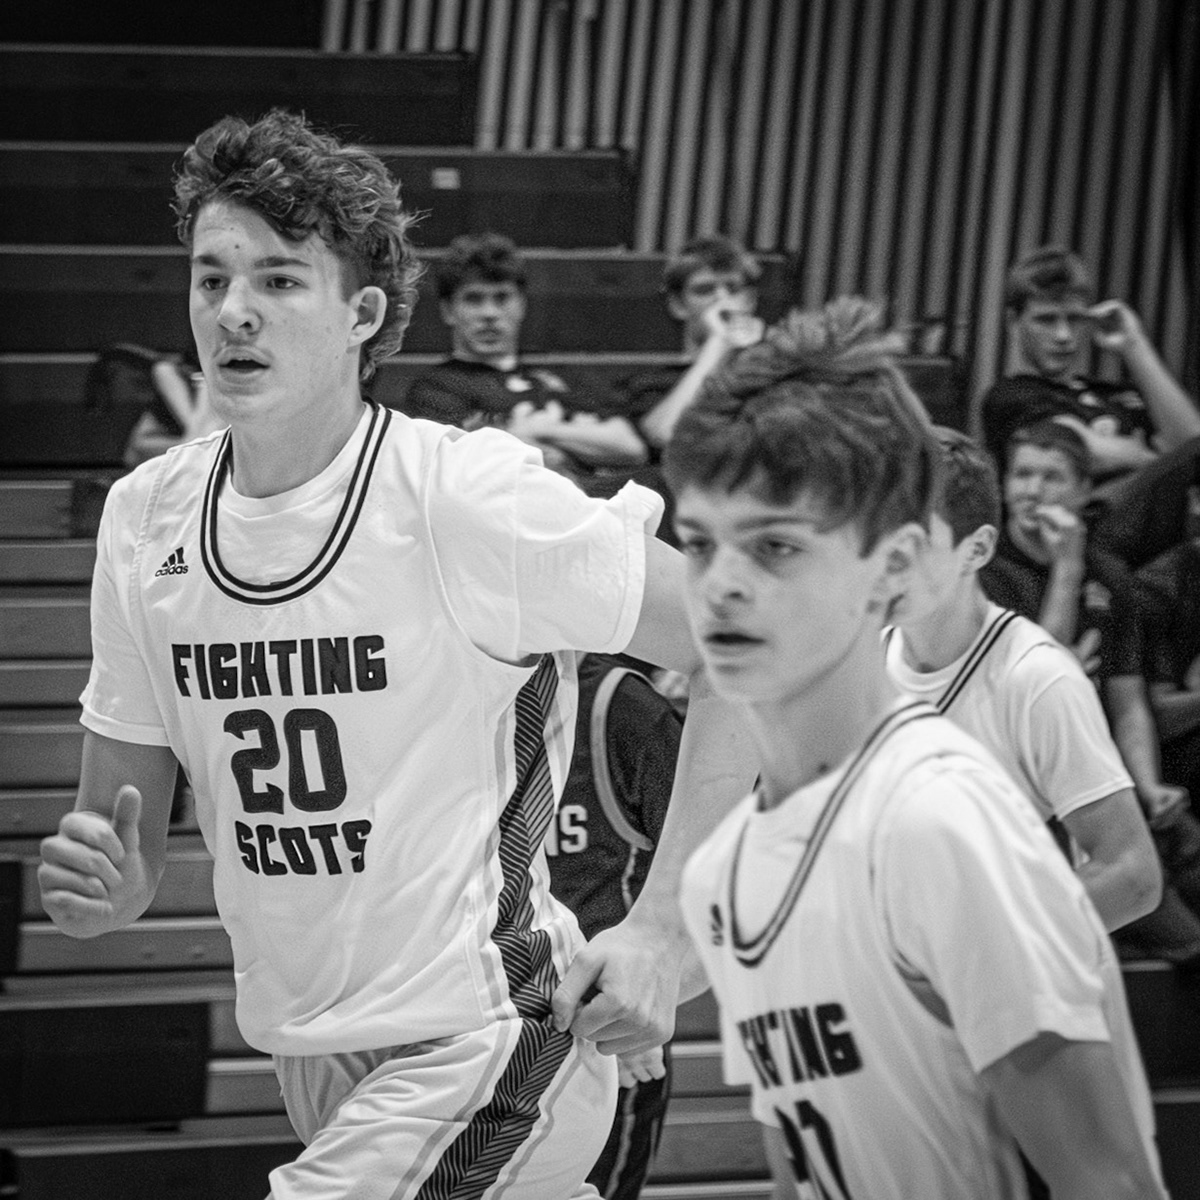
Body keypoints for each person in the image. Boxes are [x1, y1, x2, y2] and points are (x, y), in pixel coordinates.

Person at [36, 109, 755, 1199]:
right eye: (211, 278)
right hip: (311, 1051)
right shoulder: (145, 519)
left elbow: (743, 638)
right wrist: (102, 884)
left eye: (279, 281)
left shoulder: (461, 493)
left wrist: (663, 931)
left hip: (496, 1033)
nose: (233, 310)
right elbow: (125, 843)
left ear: (362, 315)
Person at [665, 297, 1165, 1198]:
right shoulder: (722, 870)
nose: (723, 585)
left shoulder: (941, 820)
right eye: (700, 544)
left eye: (776, 546)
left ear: (894, 567)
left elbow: (1111, 1184)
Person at [885, 425, 1161, 931]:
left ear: (976, 549)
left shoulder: (1038, 677)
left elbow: (1133, 878)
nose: (887, 561)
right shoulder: (855, 659)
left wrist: (971, 944)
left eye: (914, 541)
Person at [546, 652, 682, 1199]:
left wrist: (651, 995)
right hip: (485, 1029)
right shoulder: (460, 694)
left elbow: (721, 881)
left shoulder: (621, 709)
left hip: (604, 1039)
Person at [400, 231, 646, 485]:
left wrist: (535, 430)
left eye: (502, 298)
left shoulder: (556, 375)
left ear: (521, 305)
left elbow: (630, 446)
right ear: (448, 310)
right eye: (474, 299)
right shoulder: (435, 389)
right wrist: (570, 443)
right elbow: (462, 468)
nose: (489, 313)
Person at [980, 244, 1200, 484]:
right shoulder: (1008, 397)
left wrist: (1134, 344)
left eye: (1074, 319)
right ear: (1013, 321)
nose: (1063, 335)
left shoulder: (1118, 393)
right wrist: (1162, 459)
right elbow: (1070, 455)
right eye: (1046, 320)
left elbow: (1192, 447)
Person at [608, 236, 765, 540]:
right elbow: (666, 434)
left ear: (750, 300)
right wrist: (718, 343)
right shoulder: (651, 384)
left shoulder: (775, 373)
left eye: (733, 289)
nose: (722, 300)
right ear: (678, 305)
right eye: (705, 290)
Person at [979, 419, 1140, 680]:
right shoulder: (979, 566)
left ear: (1084, 490)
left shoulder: (1110, 574)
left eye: (1052, 478)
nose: (1033, 491)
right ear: (1005, 484)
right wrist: (1067, 568)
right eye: (1022, 475)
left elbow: (1128, 698)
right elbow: (1040, 676)